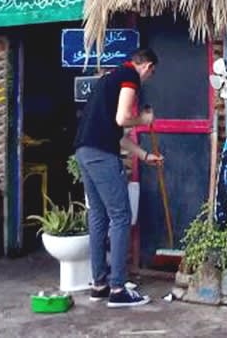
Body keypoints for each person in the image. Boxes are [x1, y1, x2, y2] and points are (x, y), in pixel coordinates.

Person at [73, 47, 162, 308]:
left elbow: (117, 134)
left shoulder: (108, 79)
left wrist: (144, 156)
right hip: (101, 155)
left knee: (98, 216)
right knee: (121, 216)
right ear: (147, 66)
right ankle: (118, 288)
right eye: (151, 73)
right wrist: (143, 119)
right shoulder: (129, 76)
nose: (148, 78)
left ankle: (99, 284)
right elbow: (122, 118)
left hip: (84, 151)